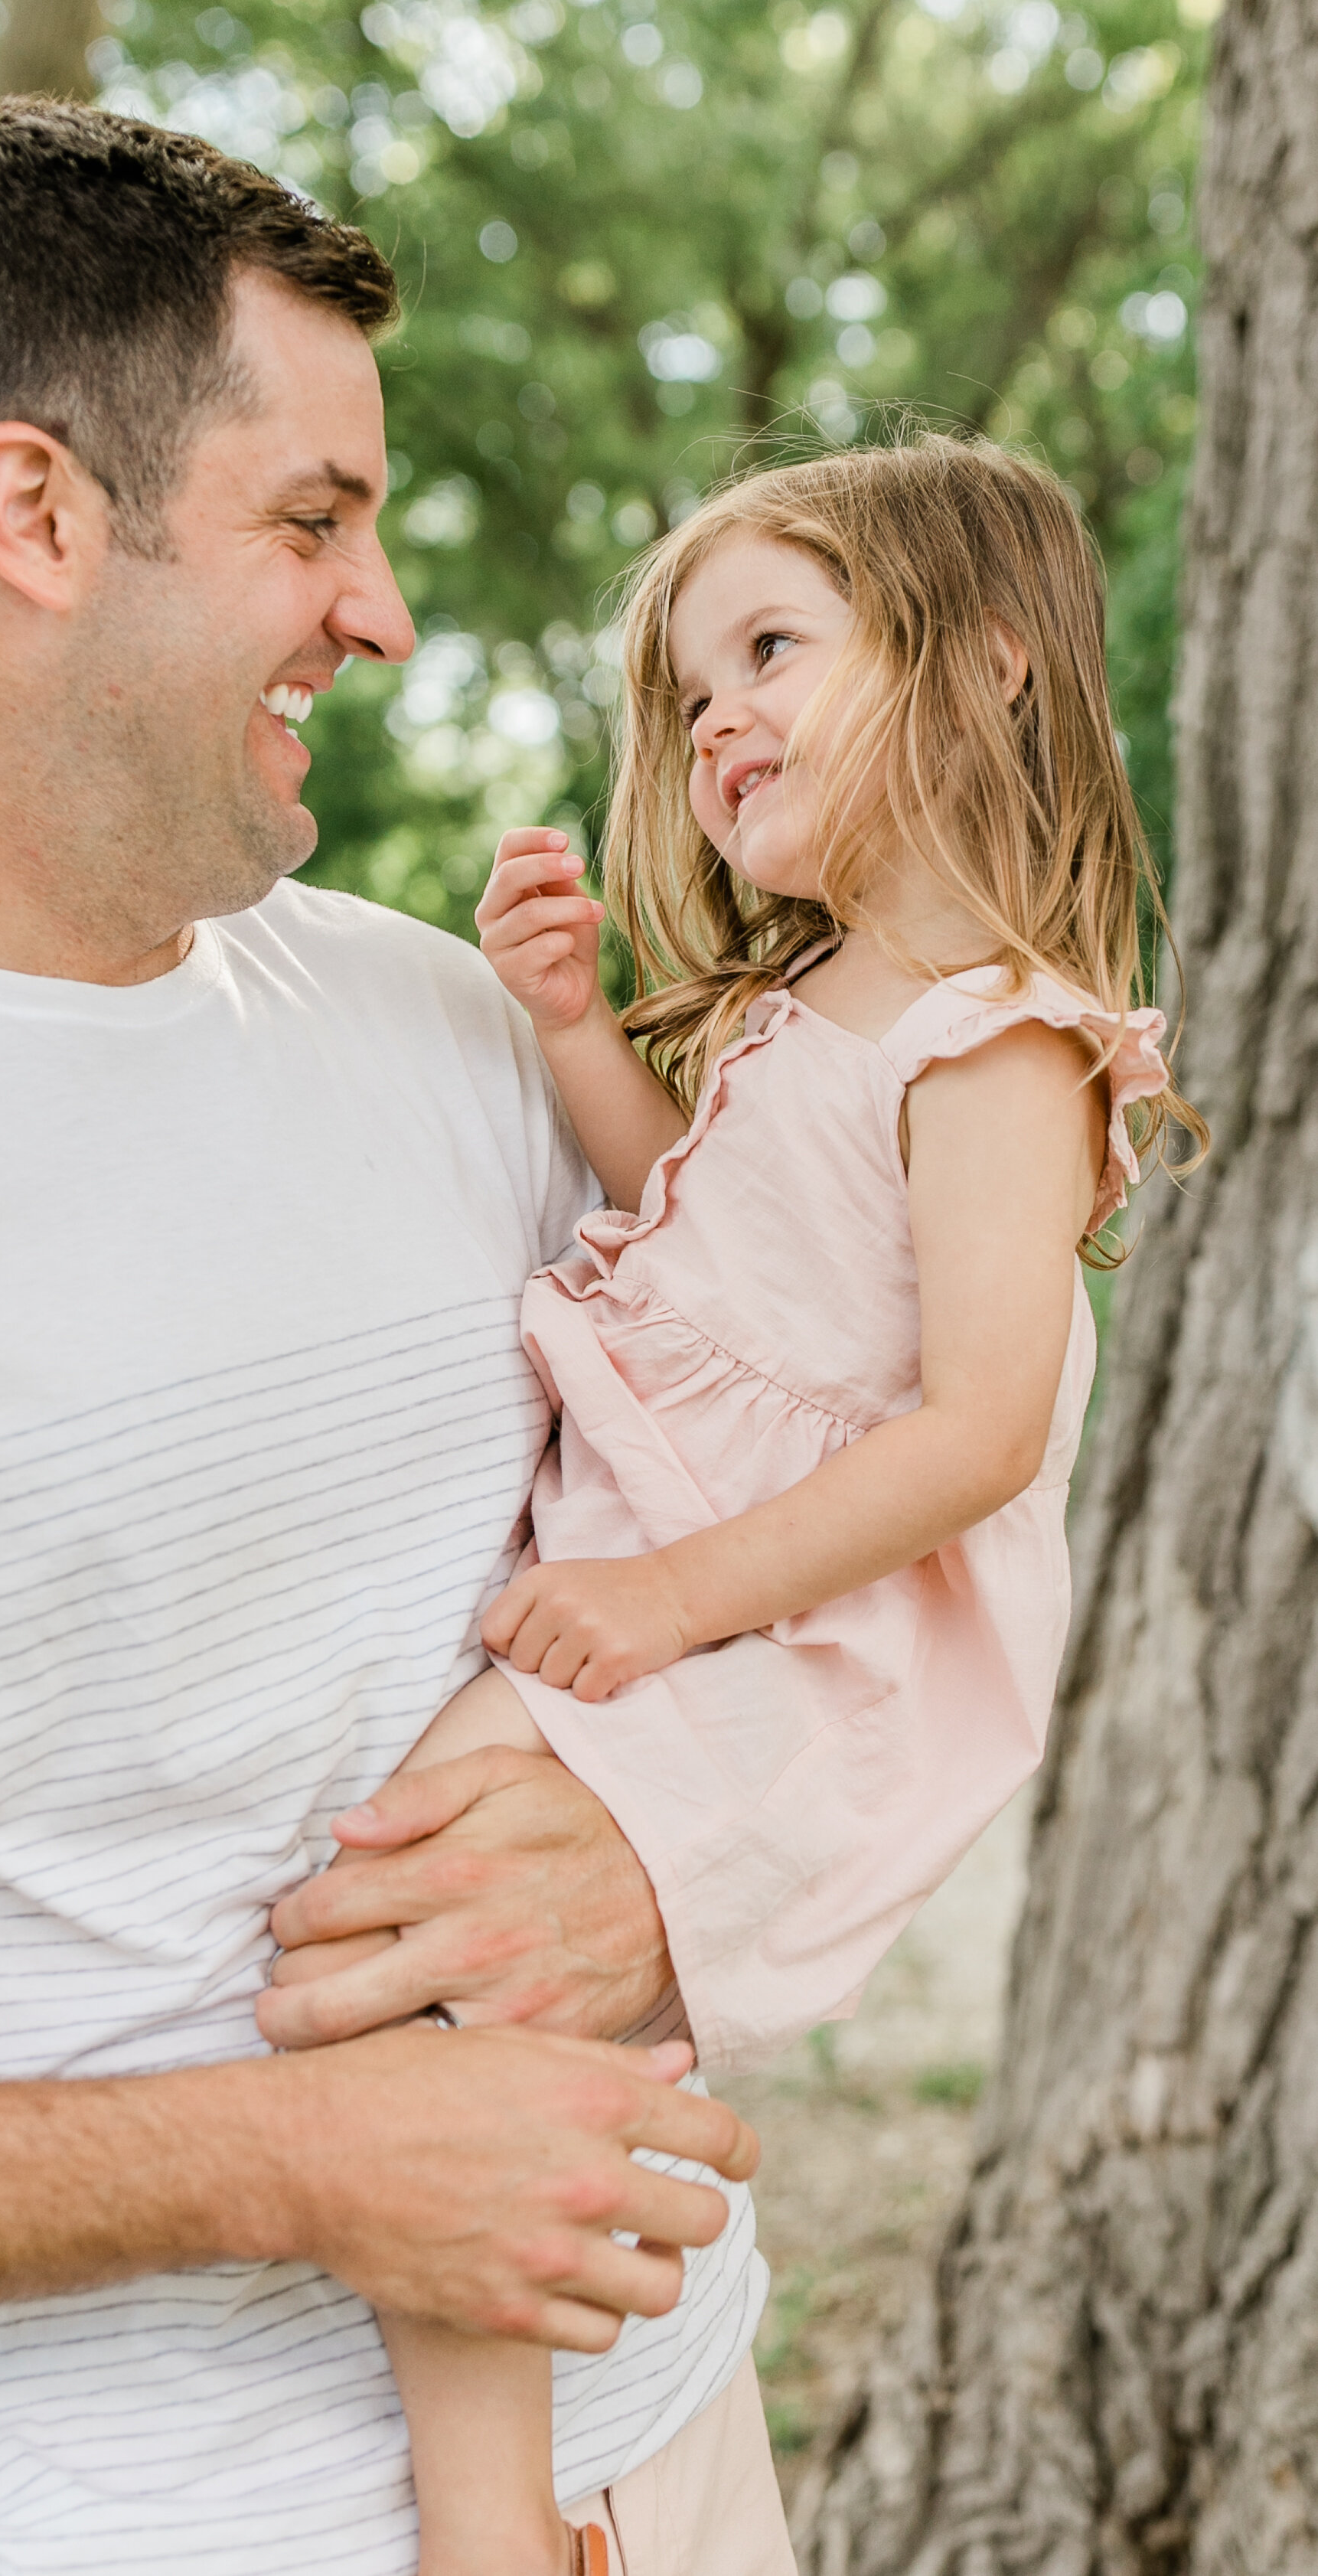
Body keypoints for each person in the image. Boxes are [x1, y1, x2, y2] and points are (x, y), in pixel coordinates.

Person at [0, 102, 780, 2576]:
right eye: (309, 519)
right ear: (35, 518)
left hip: (670, 2460)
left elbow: (794, 1522)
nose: (385, 618)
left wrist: (678, 1868)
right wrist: (294, 2167)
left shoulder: (458, 1034)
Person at [266, 436, 1206, 2574]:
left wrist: (675, 1594)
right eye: (692, 688)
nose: (715, 717)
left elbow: (972, 1429)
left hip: (790, 1611)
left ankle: (494, 2512)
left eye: (772, 647)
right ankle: (571, 2471)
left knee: (405, 1938)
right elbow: (686, 1233)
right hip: (691, 1563)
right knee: (432, 1968)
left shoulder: (997, 1047)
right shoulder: (805, 1005)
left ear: (983, 673)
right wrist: (576, 1020)